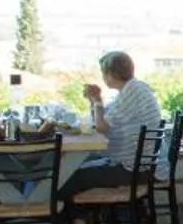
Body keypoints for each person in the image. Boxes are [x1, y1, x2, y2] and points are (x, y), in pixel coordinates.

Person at [61, 50, 162, 201]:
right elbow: (102, 120)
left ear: (110, 73)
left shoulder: (132, 92)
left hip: (135, 169)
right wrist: (95, 100)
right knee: (77, 169)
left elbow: (102, 127)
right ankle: (92, 221)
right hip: (136, 164)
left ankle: (75, 223)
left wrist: (97, 101)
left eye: (103, 73)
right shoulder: (132, 90)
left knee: (70, 178)